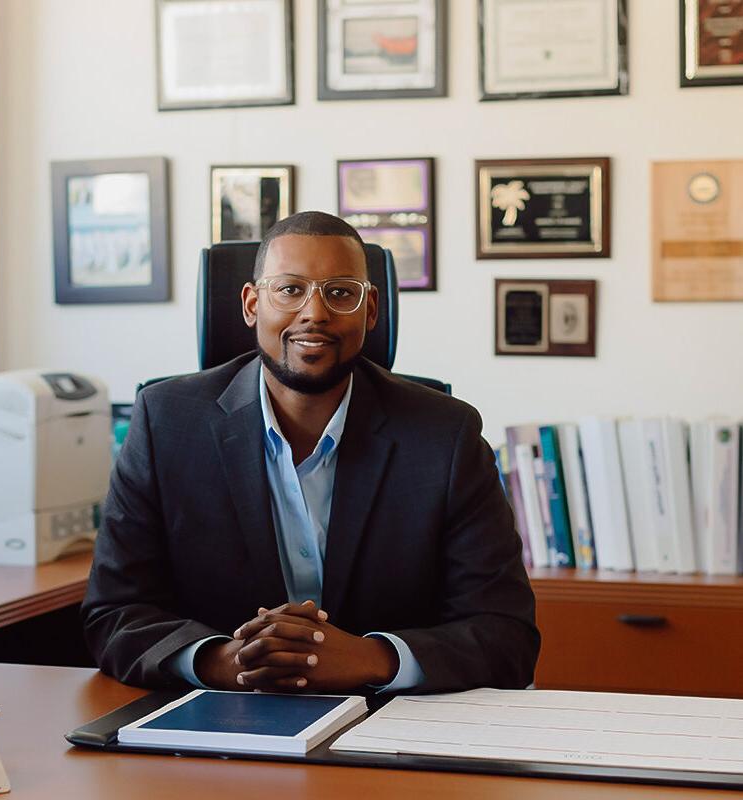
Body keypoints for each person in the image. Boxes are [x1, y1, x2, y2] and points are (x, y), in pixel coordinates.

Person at [81, 211, 539, 695]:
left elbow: (506, 634)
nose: (314, 313)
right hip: (219, 721)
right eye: (290, 289)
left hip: (387, 729)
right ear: (252, 303)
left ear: (371, 309)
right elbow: (114, 613)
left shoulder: (445, 435)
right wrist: (222, 661)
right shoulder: (165, 423)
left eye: (341, 292)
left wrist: (371, 658)